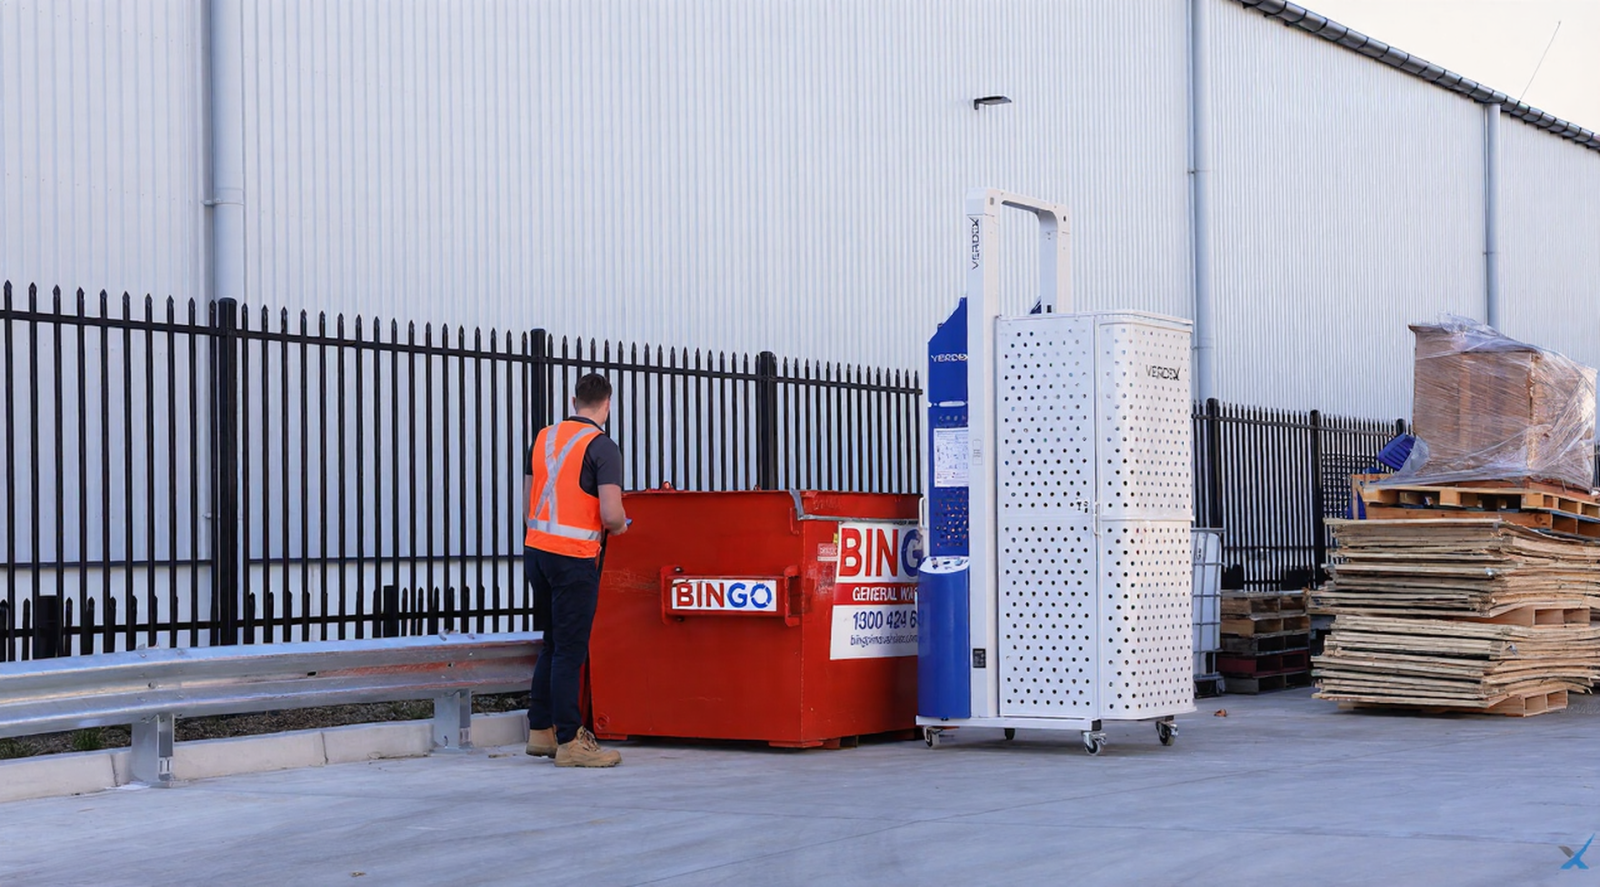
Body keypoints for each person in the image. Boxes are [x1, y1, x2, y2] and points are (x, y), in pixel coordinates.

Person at [523, 373, 628, 767]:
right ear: (608, 405)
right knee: (570, 649)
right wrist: (620, 526)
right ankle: (570, 741)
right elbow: (611, 514)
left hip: (537, 552)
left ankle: (541, 731)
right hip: (574, 557)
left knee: (551, 643)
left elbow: (527, 503)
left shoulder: (543, 439)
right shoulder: (602, 446)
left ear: (573, 401)